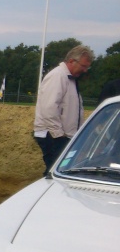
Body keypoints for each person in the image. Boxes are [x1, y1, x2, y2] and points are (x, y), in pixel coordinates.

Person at [33, 44, 95, 175]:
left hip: (62, 135)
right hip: (52, 135)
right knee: (56, 173)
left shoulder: (70, 79)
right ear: (72, 61)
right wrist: (59, 135)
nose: (85, 70)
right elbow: (49, 108)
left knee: (59, 172)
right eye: (84, 66)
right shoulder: (57, 76)